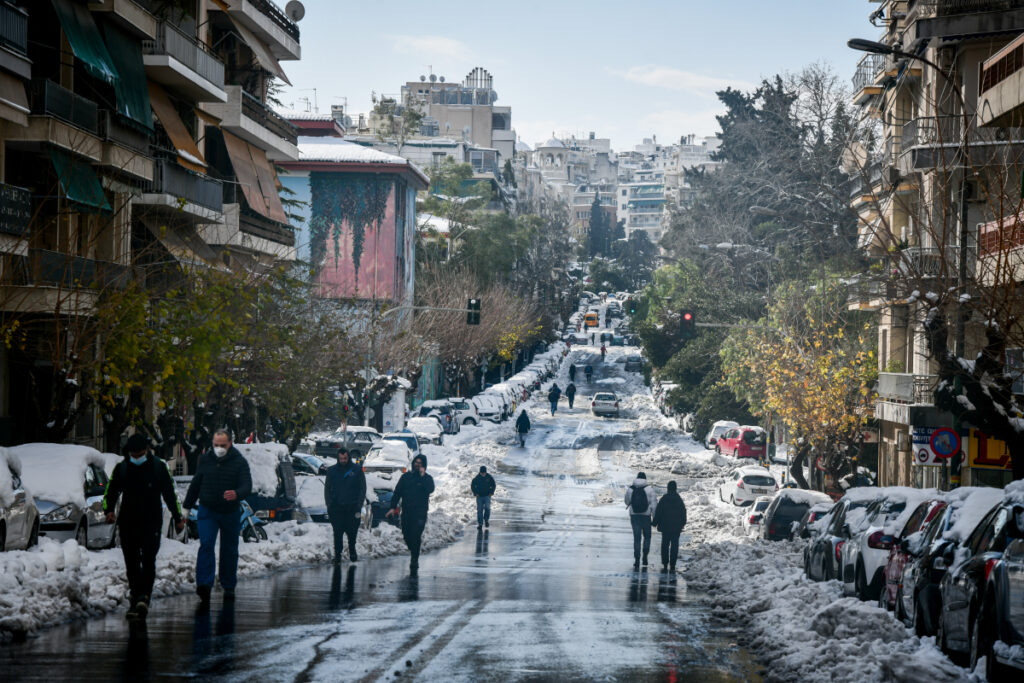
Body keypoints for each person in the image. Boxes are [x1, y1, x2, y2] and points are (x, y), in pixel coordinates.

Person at [103, 433, 184, 619]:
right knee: (131, 562)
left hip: (152, 522)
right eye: (134, 454)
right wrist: (109, 510)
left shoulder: (158, 467)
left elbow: (170, 493)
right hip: (128, 522)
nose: (137, 458)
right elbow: (111, 490)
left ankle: (144, 597)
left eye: (140, 454)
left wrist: (178, 517)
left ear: (146, 451)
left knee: (148, 560)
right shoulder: (122, 468)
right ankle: (136, 596)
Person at [183, 429, 252, 604]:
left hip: (230, 512)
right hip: (208, 510)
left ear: (229, 444)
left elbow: (247, 485)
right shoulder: (205, 460)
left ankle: (228, 585)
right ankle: (204, 585)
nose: (219, 448)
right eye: (216, 445)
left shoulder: (239, 462)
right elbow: (196, 483)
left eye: (223, 445)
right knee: (206, 545)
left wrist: (237, 493)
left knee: (229, 549)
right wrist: (186, 508)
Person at [386, 454, 434, 575]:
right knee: (407, 535)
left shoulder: (427, 478)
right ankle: (414, 551)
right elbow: (397, 493)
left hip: (420, 513)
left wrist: (422, 477)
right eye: (416, 463)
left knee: (416, 535)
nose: (418, 465)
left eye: (420, 463)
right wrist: (393, 507)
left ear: (424, 466)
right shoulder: (406, 477)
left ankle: (414, 559)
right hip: (407, 512)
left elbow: (430, 489)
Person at [324, 447, 366, 563]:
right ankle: (337, 554)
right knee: (337, 532)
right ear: (338, 458)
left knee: (352, 532)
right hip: (337, 508)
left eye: (345, 458)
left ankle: (352, 550)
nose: (343, 460)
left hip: (352, 508)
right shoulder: (332, 471)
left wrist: (359, 504)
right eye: (341, 458)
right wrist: (329, 504)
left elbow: (362, 488)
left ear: (348, 457)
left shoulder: (356, 470)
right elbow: (327, 489)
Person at [651, 480, 687, 573]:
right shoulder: (679, 499)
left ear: (668, 488)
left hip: (665, 527)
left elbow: (658, 512)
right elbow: (683, 512)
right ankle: (673, 564)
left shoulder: (664, 499)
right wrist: (682, 523)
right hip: (676, 527)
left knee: (665, 545)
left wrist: (654, 523)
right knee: (674, 546)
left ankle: (665, 562)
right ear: (675, 488)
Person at [624, 472, 657, 570]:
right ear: (645, 479)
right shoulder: (650, 489)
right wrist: (654, 518)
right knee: (647, 537)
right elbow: (654, 505)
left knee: (637, 538)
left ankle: (637, 559)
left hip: (634, 516)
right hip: (646, 516)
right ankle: (645, 556)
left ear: (637, 478)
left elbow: (626, 501)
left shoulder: (631, 489)